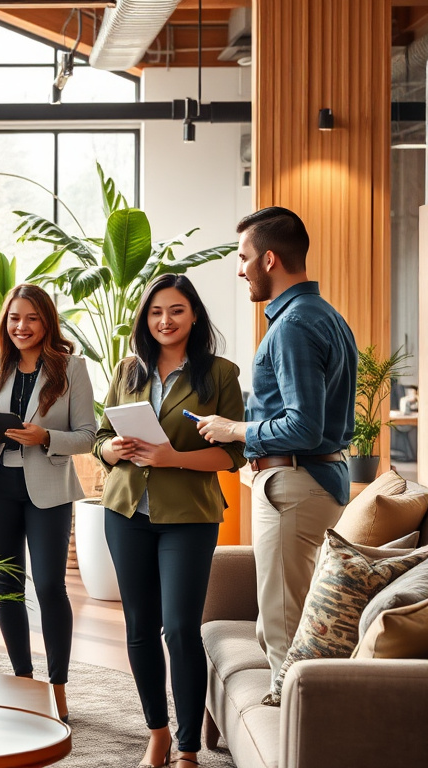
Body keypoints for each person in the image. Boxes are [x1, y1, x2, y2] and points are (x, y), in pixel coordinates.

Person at [196, 206, 357, 683]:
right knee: (289, 615)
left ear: (269, 259)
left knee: (282, 623)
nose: (240, 269)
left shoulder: (292, 326)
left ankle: (288, 723)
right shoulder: (323, 315)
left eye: (243, 257)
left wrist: (235, 429)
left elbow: (303, 427)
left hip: (294, 482)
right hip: (312, 482)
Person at [93, 274, 246, 768]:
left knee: (180, 627)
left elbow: (233, 456)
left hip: (189, 517)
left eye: (176, 310)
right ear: (145, 318)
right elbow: (100, 437)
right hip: (125, 511)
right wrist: (109, 449)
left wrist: (172, 457)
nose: (165, 320)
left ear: (194, 315)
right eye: (156, 312)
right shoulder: (127, 370)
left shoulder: (220, 374)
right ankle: (156, 733)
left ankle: (186, 746)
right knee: (139, 626)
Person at [0, 283, 96, 723]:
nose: (21, 327)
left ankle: (57, 685)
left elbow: (88, 435)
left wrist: (46, 437)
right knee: (8, 587)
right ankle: (23, 681)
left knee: (49, 586)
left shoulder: (71, 367)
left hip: (49, 489)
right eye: (15, 318)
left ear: (47, 322)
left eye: (32, 318)